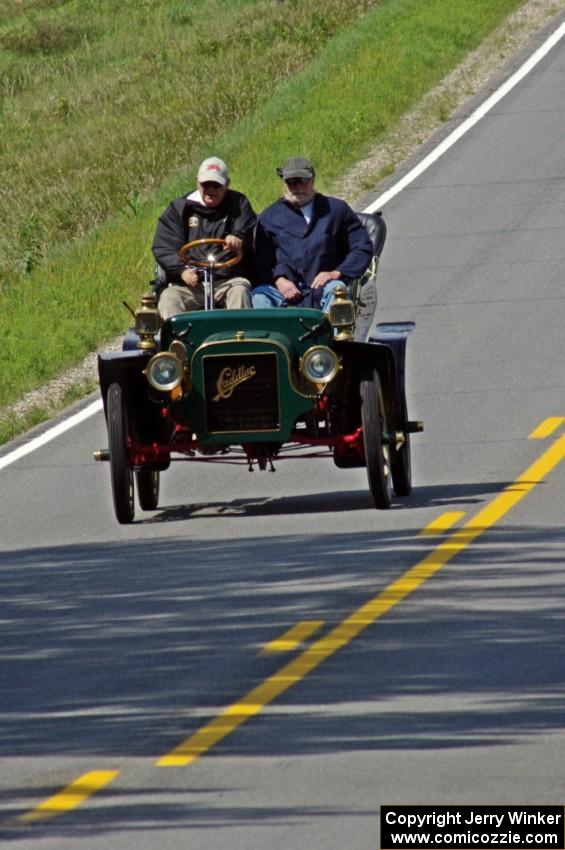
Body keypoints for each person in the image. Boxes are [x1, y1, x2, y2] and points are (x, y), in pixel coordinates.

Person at [252, 157, 373, 311]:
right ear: (284, 183)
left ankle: (335, 334)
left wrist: (336, 273)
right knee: (259, 296)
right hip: (285, 290)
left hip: (325, 287)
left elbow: (361, 247)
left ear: (312, 180)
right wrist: (279, 280)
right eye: (291, 182)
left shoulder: (336, 210)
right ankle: (266, 335)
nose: (297, 187)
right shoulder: (269, 217)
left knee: (337, 291)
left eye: (302, 181)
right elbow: (262, 260)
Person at [152, 157, 256, 318]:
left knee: (240, 291)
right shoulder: (180, 208)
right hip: (191, 283)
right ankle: (177, 342)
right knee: (169, 298)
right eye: (205, 184)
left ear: (226, 184)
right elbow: (164, 246)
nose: (211, 189)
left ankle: (238, 338)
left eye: (216, 185)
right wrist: (181, 270)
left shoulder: (238, 203)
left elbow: (247, 227)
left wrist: (238, 238)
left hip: (228, 279)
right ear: (197, 182)